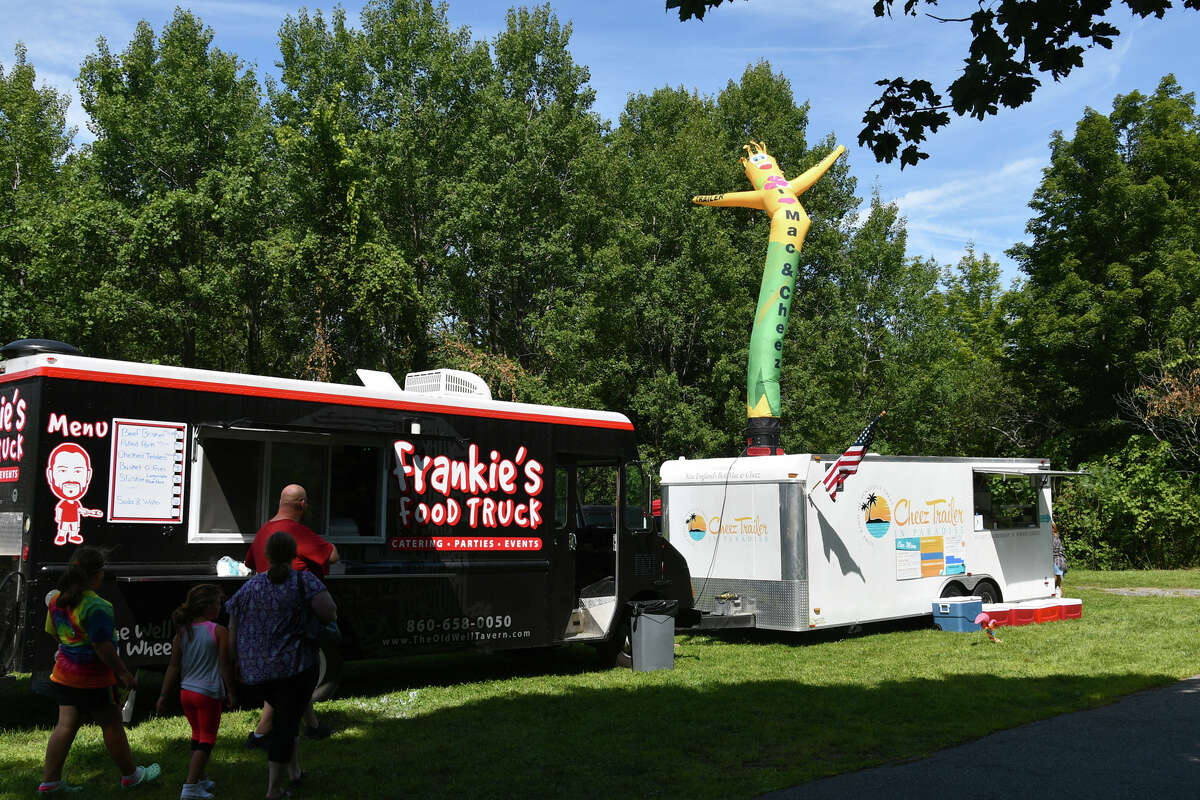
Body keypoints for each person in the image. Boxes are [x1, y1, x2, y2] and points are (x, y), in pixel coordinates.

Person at [38, 546, 161, 794]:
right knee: (112, 724)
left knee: (65, 726)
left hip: (64, 675)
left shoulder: (56, 601)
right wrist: (124, 673)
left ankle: (49, 782)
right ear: (98, 574)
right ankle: (132, 776)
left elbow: (52, 631)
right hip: (93, 679)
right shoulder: (98, 606)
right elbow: (102, 647)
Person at [226, 532, 337, 800]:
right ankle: (274, 789)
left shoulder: (251, 586)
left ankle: (295, 772)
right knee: (285, 726)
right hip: (295, 667)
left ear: (267, 554)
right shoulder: (304, 581)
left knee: (289, 715)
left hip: (258, 671)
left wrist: (236, 659)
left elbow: (232, 623)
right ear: (293, 554)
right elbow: (329, 612)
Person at [243, 484, 339, 747]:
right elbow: (332, 555)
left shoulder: (264, 531)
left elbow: (250, 563)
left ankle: (312, 726)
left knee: (300, 670)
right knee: (292, 675)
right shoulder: (296, 532)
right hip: (296, 617)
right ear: (302, 504)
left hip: (270, 616)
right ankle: (262, 733)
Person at [157, 584, 236, 800]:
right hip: (207, 693)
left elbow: (173, 667)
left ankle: (200, 779)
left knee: (197, 736)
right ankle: (190, 787)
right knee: (207, 739)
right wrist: (231, 691)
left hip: (186, 693)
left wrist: (163, 695)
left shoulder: (182, 632)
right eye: (219, 603)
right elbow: (225, 665)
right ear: (209, 606)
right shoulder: (218, 631)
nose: (220, 607)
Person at [1052, 522, 1068, 596]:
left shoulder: (1052, 538)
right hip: (1061, 562)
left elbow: (1053, 551)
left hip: (1056, 562)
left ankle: (1056, 597)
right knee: (1058, 585)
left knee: (1054, 584)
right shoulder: (1057, 537)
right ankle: (1058, 597)